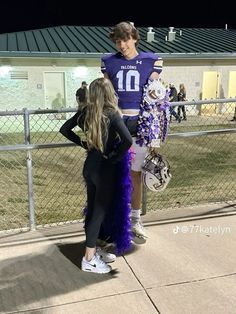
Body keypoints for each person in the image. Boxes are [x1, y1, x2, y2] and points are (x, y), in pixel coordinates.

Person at [60, 78, 132, 274]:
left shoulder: (86, 112)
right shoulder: (112, 115)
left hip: (89, 166)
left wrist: (83, 143)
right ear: (109, 93)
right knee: (98, 213)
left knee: (92, 210)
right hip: (104, 170)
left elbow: (64, 129)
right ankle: (89, 260)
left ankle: (91, 249)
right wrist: (114, 159)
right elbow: (127, 141)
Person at [101, 21, 165, 239]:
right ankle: (114, 220)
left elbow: (154, 95)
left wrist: (155, 133)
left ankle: (136, 220)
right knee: (113, 175)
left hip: (140, 125)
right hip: (117, 125)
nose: (122, 45)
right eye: (118, 41)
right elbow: (107, 94)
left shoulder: (151, 60)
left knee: (135, 174)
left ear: (135, 38)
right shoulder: (108, 62)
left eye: (125, 39)